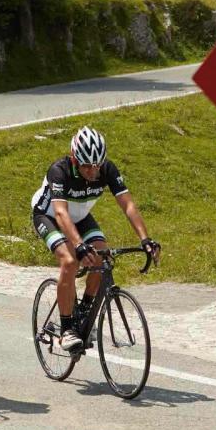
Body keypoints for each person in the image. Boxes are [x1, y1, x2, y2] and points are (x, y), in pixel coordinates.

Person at [29, 126, 160, 352]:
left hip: (80, 216)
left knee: (102, 256)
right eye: (86, 166)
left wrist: (145, 239)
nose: (92, 171)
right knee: (70, 260)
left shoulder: (107, 169)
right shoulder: (59, 171)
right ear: (74, 158)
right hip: (49, 216)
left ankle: (84, 312)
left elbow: (127, 204)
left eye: (96, 166)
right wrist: (78, 245)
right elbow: (60, 213)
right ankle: (67, 328)